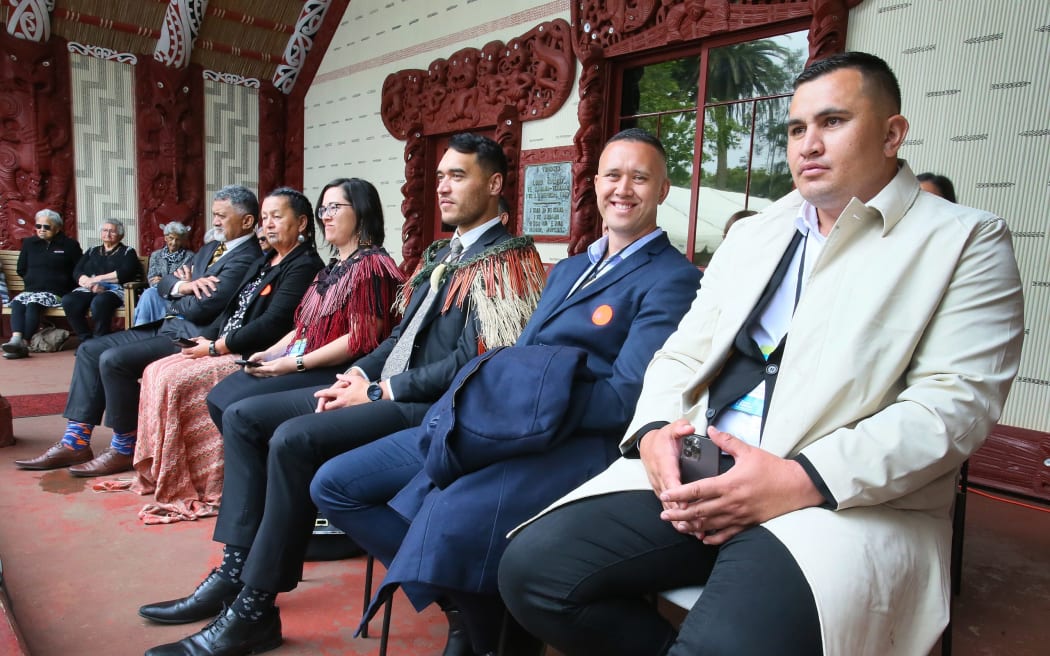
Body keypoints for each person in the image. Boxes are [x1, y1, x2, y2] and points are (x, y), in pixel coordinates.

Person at [499, 52, 1025, 656]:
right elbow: (679, 354)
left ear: (892, 133)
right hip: (703, 467)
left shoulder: (964, 240)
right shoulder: (756, 233)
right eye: (798, 128)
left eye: (833, 122)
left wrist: (797, 479)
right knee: (533, 573)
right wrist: (650, 434)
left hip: (837, 498)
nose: (809, 144)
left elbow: (952, 407)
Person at [138, 133, 548, 656]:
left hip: (437, 408)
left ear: (494, 185)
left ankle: (255, 608)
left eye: (458, 176)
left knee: (292, 441)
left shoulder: (508, 260)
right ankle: (236, 571)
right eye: (440, 176)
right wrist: (356, 376)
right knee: (243, 419)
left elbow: (477, 361)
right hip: (390, 390)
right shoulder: (443, 253)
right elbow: (398, 339)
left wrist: (380, 388)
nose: (443, 187)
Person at [311, 128, 702, 656]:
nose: (623, 188)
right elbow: (518, 354)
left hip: (576, 438)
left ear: (663, 189)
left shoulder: (671, 278)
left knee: (449, 513)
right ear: (595, 183)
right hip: (503, 422)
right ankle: (473, 601)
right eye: (612, 175)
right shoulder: (569, 269)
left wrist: (527, 406)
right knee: (335, 484)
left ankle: (492, 633)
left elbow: (624, 397)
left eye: (640, 177)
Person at [108, 179, 401, 523]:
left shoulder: (372, 266)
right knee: (223, 395)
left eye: (335, 208)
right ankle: (257, 492)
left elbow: (359, 340)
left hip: (335, 370)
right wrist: (273, 353)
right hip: (303, 357)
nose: (326, 216)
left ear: (363, 211)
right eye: (323, 208)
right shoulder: (336, 265)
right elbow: (303, 326)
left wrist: (293, 364)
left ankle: (258, 508)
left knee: (239, 409)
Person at [14, 185, 264, 473]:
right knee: (89, 350)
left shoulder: (248, 257)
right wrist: (183, 286)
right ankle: (76, 442)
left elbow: (204, 308)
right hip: (169, 325)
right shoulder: (209, 248)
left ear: (247, 221)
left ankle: (124, 446)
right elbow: (165, 282)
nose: (215, 222)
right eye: (214, 215)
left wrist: (177, 294)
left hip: (194, 335)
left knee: (114, 360)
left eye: (221, 216)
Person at [1, 210, 82, 360]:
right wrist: (33, 281)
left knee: (33, 304)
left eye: (47, 227)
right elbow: (21, 268)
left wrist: (64, 284)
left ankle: (23, 344)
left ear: (58, 228)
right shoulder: (29, 243)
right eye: (39, 226)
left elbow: (79, 270)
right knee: (18, 303)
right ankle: (16, 339)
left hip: (57, 291)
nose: (42, 230)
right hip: (32, 289)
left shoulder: (70, 246)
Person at [61, 219, 141, 342]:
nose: (107, 234)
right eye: (105, 230)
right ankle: (86, 340)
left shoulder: (127, 252)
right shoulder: (92, 250)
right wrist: (89, 284)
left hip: (115, 290)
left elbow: (124, 273)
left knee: (100, 302)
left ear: (120, 235)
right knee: (69, 301)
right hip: (89, 288)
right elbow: (77, 271)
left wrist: (97, 280)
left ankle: (100, 340)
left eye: (112, 231)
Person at [133, 221, 195, 326]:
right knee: (148, 293)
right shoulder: (156, 255)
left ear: (182, 240)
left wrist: (163, 281)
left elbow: (184, 281)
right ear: (165, 238)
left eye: (178, 239)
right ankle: (141, 328)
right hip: (158, 292)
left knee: (149, 294)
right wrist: (170, 282)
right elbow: (152, 279)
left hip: (178, 297)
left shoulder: (190, 256)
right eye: (171, 238)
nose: (174, 242)